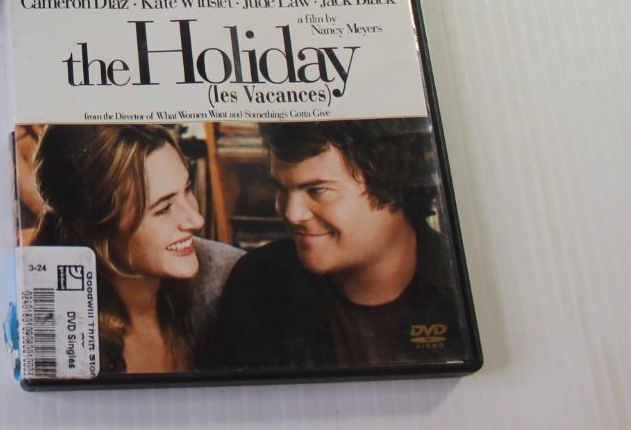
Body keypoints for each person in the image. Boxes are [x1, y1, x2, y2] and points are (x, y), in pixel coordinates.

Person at [204, 120, 471, 369]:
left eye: (317, 190)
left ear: (393, 186)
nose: (292, 214)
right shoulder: (257, 281)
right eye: (282, 190)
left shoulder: (464, 283)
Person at [32, 125, 243, 374]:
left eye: (187, 189)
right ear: (93, 228)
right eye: (163, 208)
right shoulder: (53, 333)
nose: (196, 220)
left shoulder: (229, 278)